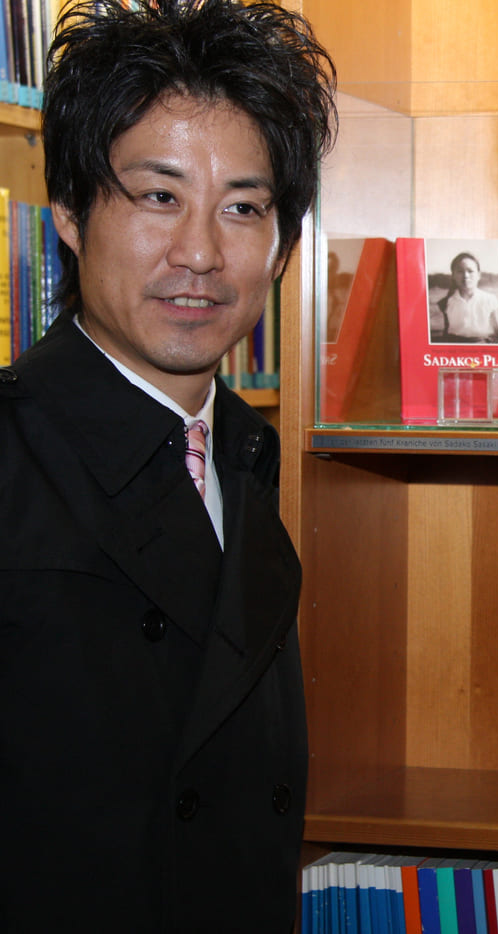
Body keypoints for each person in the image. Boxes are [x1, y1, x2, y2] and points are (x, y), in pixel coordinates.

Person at [0, 1, 335, 930]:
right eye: (158, 196)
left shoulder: (243, 451)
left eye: (244, 207)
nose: (200, 253)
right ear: (68, 211)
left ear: (283, 246)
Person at [434, 251, 498, 343]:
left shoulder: (489, 299)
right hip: (455, 348)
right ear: (453, 275)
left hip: (482, 347)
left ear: (479, 275)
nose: (465, 276)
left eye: (470, 271)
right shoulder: (448, 302)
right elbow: (446, 331)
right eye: (460, 271)